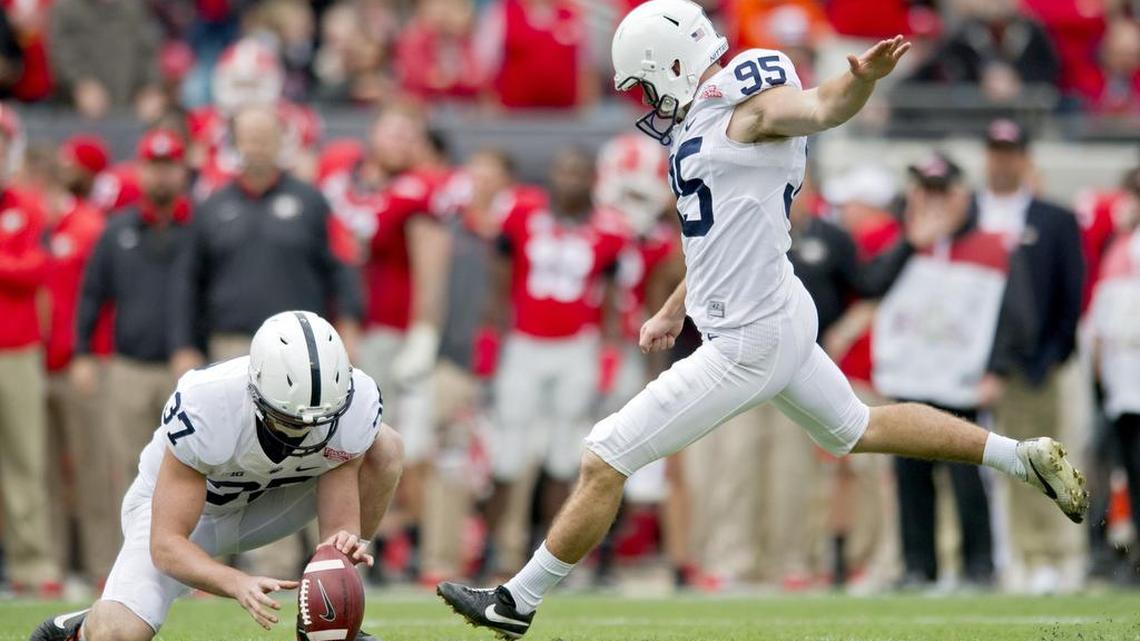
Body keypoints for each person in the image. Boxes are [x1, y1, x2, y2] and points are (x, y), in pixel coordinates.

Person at [436, 1, 1088, 636]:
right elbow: (720, 236)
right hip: (775, 303)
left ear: (671, 61)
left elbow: (816, 107)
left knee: (605, 455)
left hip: (750, 335)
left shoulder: (746, 104)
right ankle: (1019, 457)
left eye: (645, 81)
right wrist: (672, 306)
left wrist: (856, 84)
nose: (645, 99)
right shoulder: (704, 120)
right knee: (859, 426)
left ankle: (515, 601)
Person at [29, 312, 403, 641]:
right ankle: (80, 627)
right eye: (289, 421)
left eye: (319, 421)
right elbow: (167, 544)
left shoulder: (355, 405)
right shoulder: (208, 402)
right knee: (117, 633)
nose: (304, 433)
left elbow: (336, 527)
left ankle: (324, 624)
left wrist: (337, 567)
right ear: (255, 392)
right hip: (192, 520)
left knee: (386, 447)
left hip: (272, 503)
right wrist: (236, 582)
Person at [874, 153, 1035, 589]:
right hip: (908, 380)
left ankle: (979, 566)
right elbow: (870, 285)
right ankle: (917, 567)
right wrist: (911, 241)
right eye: (925, 191)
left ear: (963, 195)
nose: (933, 201)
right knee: (910, 477)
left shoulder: (993, 245)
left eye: (942, 191)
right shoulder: (903, 241)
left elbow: (1016, 315)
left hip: (962, 384)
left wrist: (997, 371)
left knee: (968, 478)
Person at [482, 147, 627, 578]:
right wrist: (493, 343)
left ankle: (548, 557)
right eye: (563, 169)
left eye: (579, 172)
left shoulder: (611, 229)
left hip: (576, 347)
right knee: (507, 455)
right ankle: (493, 549)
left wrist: (607, 357)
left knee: (565, 458)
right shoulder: (522, 213)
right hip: (525, 343)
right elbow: (499, 281)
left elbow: (612, 303)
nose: (570, 180)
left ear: (593, 180)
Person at [974, 118, 1085, 594]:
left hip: (1027, 368)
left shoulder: (1053, 220)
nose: (1001, 160)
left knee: (1036, 463)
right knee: (956, 469)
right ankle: (968, 557)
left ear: (1024, 158)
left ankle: (1041, 556)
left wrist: (1050, 359)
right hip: (966, 362)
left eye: (1010, 151)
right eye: (995, 151)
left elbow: (1070, 294)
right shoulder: (967, 212)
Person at [73, 129, 194, 523]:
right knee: (127, 467)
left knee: (197, 467)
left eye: (169, 166)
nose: (161, 176)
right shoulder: (117, 230)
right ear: (141, 171)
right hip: (128, 365)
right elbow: (92, 294)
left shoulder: (201, 228)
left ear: (182, 170)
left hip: (189, 369)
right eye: (154, 167)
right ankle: (130, 560)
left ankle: (199, 564)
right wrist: (83, 353)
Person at [0, 104, 57, 597]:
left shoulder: (28, 205)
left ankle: (32, 564)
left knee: (25, 462)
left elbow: (35, 270)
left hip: (15, 351)